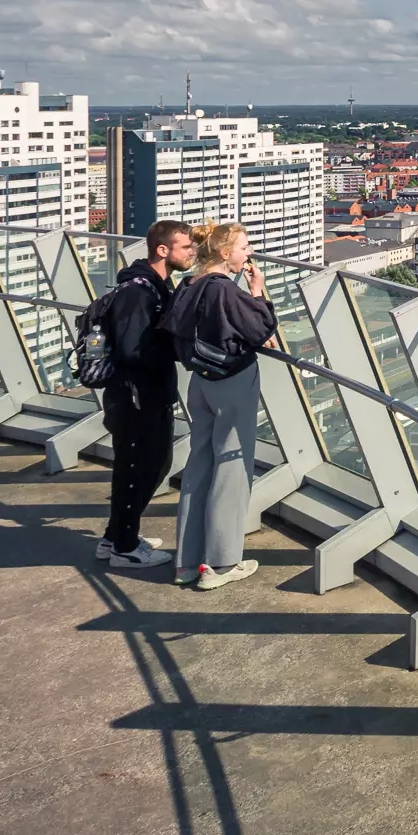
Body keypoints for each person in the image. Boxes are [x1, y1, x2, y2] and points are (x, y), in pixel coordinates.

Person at [162, 222, 280, 591]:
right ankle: (222, 563)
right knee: (232, 465)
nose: (250, 253)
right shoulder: (223, 290)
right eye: (245, 247)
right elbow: (260, 328)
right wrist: (258, 292)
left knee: (199, 462)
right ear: (225, 253)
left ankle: (187, 561)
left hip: (201, 382)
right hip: (231, 381)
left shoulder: (190, 285)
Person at [97, 219, 196, 568]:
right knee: (141, 466)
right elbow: (130, 349)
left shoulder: (156, 287)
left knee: (142, 464)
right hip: (136, 395)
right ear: (163, 250)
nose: (192, 253)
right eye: (186, 247)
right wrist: (174, 350)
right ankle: (124, 547)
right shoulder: (140, 292)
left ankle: (116, 536)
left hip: (143, 393)